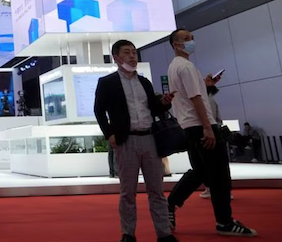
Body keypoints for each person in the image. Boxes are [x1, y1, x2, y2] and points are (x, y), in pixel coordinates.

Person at [165, 29, 257, 237]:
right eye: (185, 39)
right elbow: (196, 98)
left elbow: (193, 94)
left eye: (192, 38)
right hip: (200, 126)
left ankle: (170, 204)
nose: (191, 42)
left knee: (202, 172)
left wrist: (205, 85)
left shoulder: (176, 66)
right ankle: (224, 222)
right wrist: (208, 127)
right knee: (219, 176)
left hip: (191, 127)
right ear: (175, 45)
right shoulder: (186, 66)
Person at [93, 40, 178, 242]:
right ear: (116, 58)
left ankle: (164, 234)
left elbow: (154, 109)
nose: (132, 56)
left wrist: (164, 103)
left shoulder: (145, 82)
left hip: (150, 139)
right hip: (126, 141)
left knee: (157, 191)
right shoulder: (107, 82)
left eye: (134, 52)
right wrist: (109, 134)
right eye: (127, 52)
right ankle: (128, 234)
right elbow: (99, 111)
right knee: (127, 192)